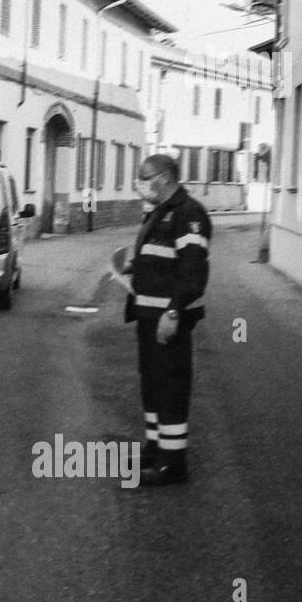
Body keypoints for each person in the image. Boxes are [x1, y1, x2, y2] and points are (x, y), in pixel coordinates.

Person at [125, 153, 211, 487]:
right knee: (152, 385)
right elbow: (162, 260)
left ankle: (172, 465)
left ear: (163, 177)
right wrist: (132, 268)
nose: (141, 184)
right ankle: (155, 449)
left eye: (144, 177)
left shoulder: (189, 214)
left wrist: (173, 312)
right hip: (149, 317)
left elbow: (193, 273)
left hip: (167, 321)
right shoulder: (161, 212)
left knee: (170, 389)